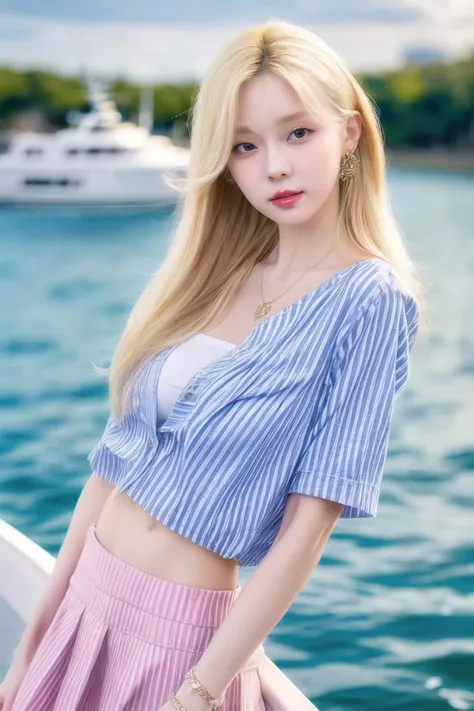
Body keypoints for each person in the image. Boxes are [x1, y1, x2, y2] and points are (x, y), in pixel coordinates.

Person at [1, 18, 424, 711]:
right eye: (244, 146)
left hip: (183, 647)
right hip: (83, 600)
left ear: (348, 134)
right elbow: (112, 469)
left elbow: (307, 525)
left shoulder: (369, 300)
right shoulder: (217, 272)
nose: (275, 167)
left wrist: (198, 690)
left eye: (298, 133)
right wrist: (31, 641)